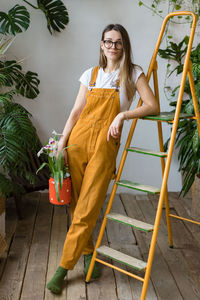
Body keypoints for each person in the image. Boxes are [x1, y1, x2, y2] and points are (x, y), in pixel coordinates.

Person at [47, 23, 158, 294]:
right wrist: (62, 143)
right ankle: (87, 254)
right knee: (75, 202)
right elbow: (76, 113)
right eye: (108, 41)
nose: (113, 46)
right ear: (101, 44)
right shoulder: (91, 74)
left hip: (106, 143)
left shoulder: (133, 72)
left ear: (125, 45)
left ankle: (63, 268)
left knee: (89, 205)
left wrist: (122, 115)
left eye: (118, 42)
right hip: (79, 140)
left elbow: (152, 105)